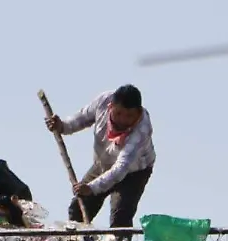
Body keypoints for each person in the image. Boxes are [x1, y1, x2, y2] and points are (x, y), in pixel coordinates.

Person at [45, 85, 155, 228]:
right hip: (102, 163)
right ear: (111, 107)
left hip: (133, 172)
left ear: (138, 113)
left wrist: (91, 188)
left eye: (129, 116)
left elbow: (121, 168)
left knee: (120, 218)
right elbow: (81, 118)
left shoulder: (141, 130)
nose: (123, 120)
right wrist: (62, 126)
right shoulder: (103, 101)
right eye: (119, 113)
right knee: (78, 208)